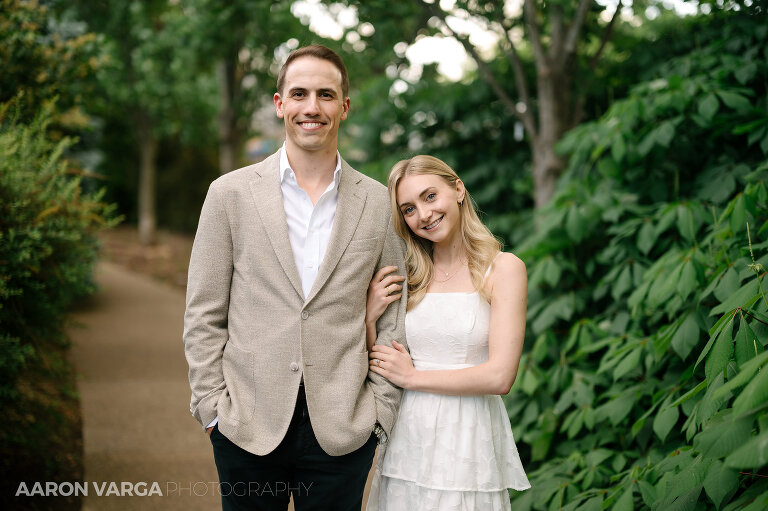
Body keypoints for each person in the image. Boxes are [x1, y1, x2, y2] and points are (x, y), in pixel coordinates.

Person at [183, 44, 407, 511]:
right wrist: (211, 409)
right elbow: (204, 312)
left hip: (343, 429)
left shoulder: (378, 204)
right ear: (279, 103)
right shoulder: (229, 195)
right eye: (299, 93)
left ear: (344, 107)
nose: (312, 107)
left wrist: (378, 413)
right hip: (246, 423)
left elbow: (394, 316)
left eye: (326, 95)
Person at [365, 155, 531, 510]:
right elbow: (375, 362)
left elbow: (501, 376)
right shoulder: (407, 277)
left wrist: (413, 377)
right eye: (408, 209)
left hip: (467, 436)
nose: (423, 215)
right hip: (407, 438)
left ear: (458, 189)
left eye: (429, 197)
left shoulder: (503, 270)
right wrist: (368, 318)